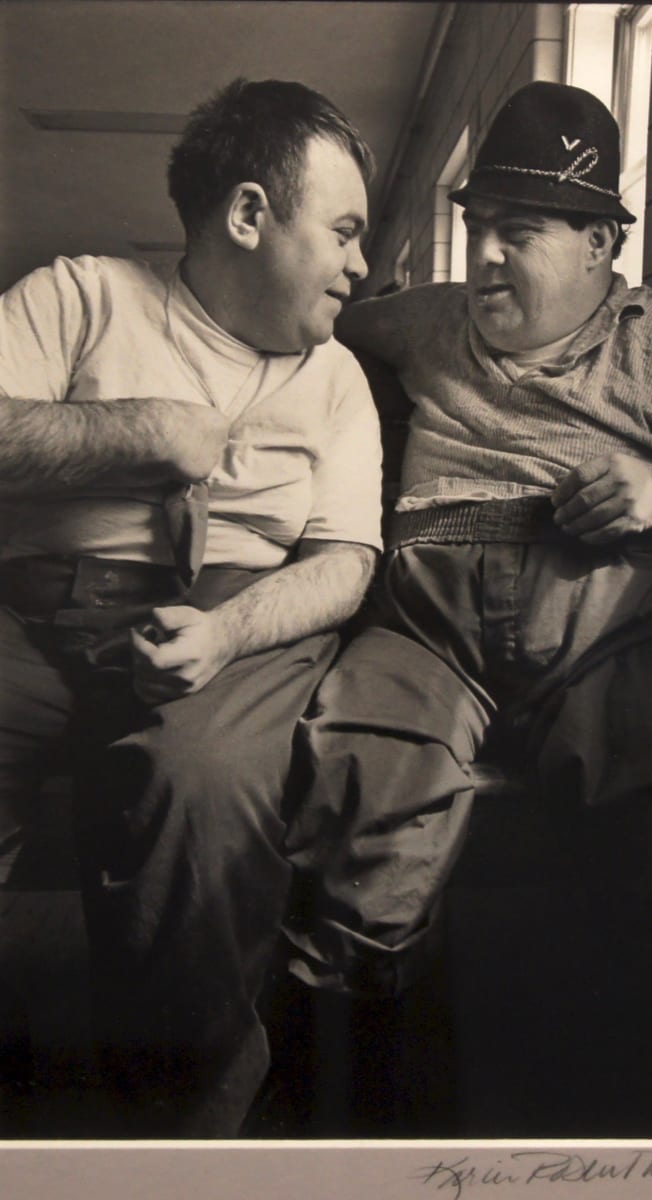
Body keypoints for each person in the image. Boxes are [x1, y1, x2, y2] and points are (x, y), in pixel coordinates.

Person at [283, 81, 652, 1005]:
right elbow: (300, 323)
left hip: (612, 631)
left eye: (520, 232)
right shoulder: (426, 317)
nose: (486, 258)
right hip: (424, 630)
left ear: (600, 244)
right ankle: (356, 1062)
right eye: (478, 226)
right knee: (354, 789)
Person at [0, 78, 382, 1137]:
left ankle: (186, 1111)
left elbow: (347, 558)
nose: (362, 264)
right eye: (344, 232)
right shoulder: (82, 296)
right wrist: (142, 432)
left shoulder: (339, 379)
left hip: (235, 621)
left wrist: (225, 632)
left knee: (199, 780)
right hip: (29, 612)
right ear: (250, 215)